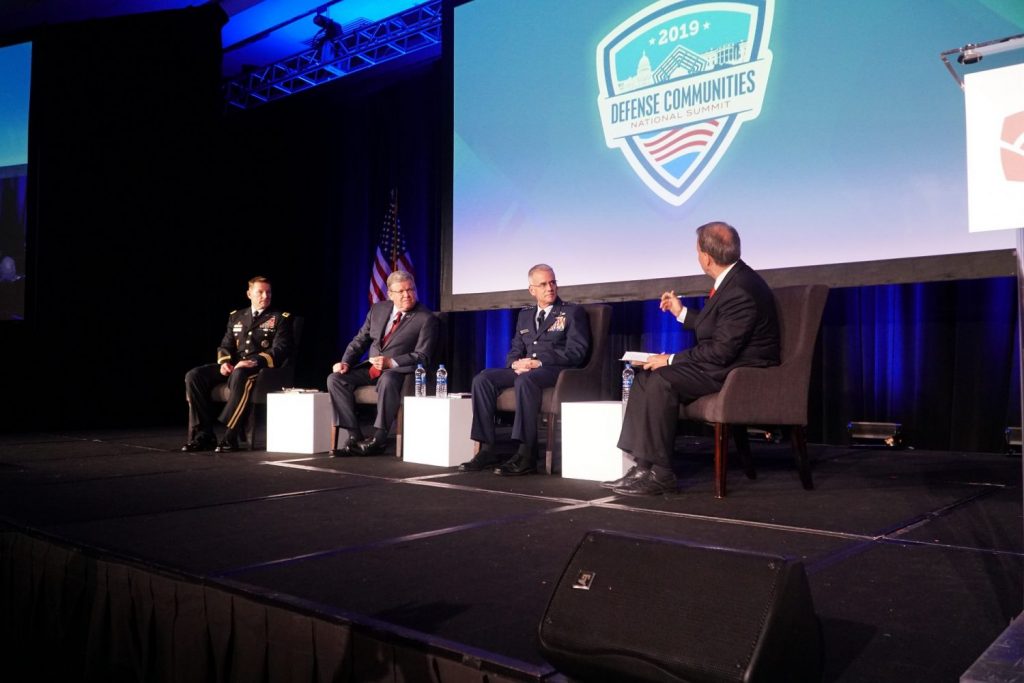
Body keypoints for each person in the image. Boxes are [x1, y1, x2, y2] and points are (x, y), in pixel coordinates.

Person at [611, 221, 780, 495]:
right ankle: (643, 466)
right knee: (646, 378)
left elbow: (722, 351)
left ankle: (662, 474)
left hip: (741, 371)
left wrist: (670, 359)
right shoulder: (734, 278)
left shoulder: (740, 289)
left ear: (706, 257)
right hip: (726, 362)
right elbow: (719, 327)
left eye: (697, 251)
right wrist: (681, 313)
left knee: (661, 379)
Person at [458, 264, 590, 476]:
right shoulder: (525, 315)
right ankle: (487, 449)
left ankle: (526, 453)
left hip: (556, 371)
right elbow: (516, 348)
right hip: (526, 368)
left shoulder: (572, 312)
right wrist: (514, 364)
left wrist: (538, 363)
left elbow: (577, 352)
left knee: (525, 381)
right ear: (532, 290)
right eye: (544, 284)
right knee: (482, 379)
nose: (550, 288)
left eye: (553, 282)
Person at [327, 270, 438, 456]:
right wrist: (346, 362)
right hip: (372, 369)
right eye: (401, 291)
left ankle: (379, 438)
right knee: (335, 379)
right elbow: (360, 340)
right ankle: (355, 436)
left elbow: (423, 355)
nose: (407, 295)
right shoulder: (378, 309)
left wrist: (391, 362)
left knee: (388, 379)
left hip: (401, 372)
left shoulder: (426, 318)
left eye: (410, 290)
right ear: (390, 294)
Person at [182, 276, 295, 453]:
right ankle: (204, 435)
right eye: (260, 292)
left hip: (260, 369)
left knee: (240, 375)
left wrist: (255, 360)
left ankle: (230, 435)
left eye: (268, 292)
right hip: (234, 366)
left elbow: (281, 349)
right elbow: (226, 344)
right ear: (249, 294)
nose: (265, 296)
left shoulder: (280, 318)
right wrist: (225, 362)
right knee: (194, 376)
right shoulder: (236, 316)